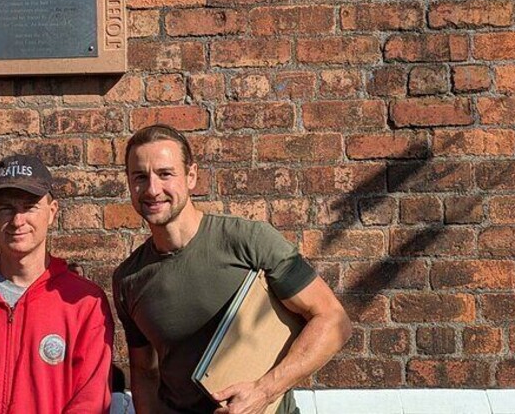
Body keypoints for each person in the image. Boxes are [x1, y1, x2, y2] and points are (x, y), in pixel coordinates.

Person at [113, 125, 352, 414]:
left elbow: (333, 320)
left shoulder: (249, 242)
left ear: (191, 176)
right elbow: (145, 373)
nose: (152, 189)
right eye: (140, 177)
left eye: (165, 174)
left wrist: (264, 391)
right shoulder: (129, 279)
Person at [0, 154, 114, 413]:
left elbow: (91, 400)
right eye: (6, 208)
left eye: (29, 207)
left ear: (52, 213)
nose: (18, 221)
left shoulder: (84, 304)